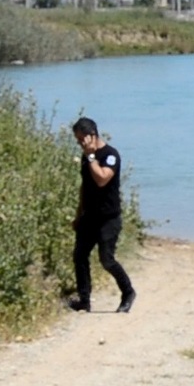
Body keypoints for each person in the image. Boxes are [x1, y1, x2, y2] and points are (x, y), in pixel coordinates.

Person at [66, 117, 137, 313]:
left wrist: (91, 157)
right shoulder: (86, 156)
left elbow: (102, 179)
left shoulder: (110, 155)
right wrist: (78, 214)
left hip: (108, 218)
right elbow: (85, 186)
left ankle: (128, 292)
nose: (80, 144)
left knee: (107, 260)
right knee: (80, 256)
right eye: (77, 140)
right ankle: (84, 300)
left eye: (82, 139)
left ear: (92, 135)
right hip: (89, 216)